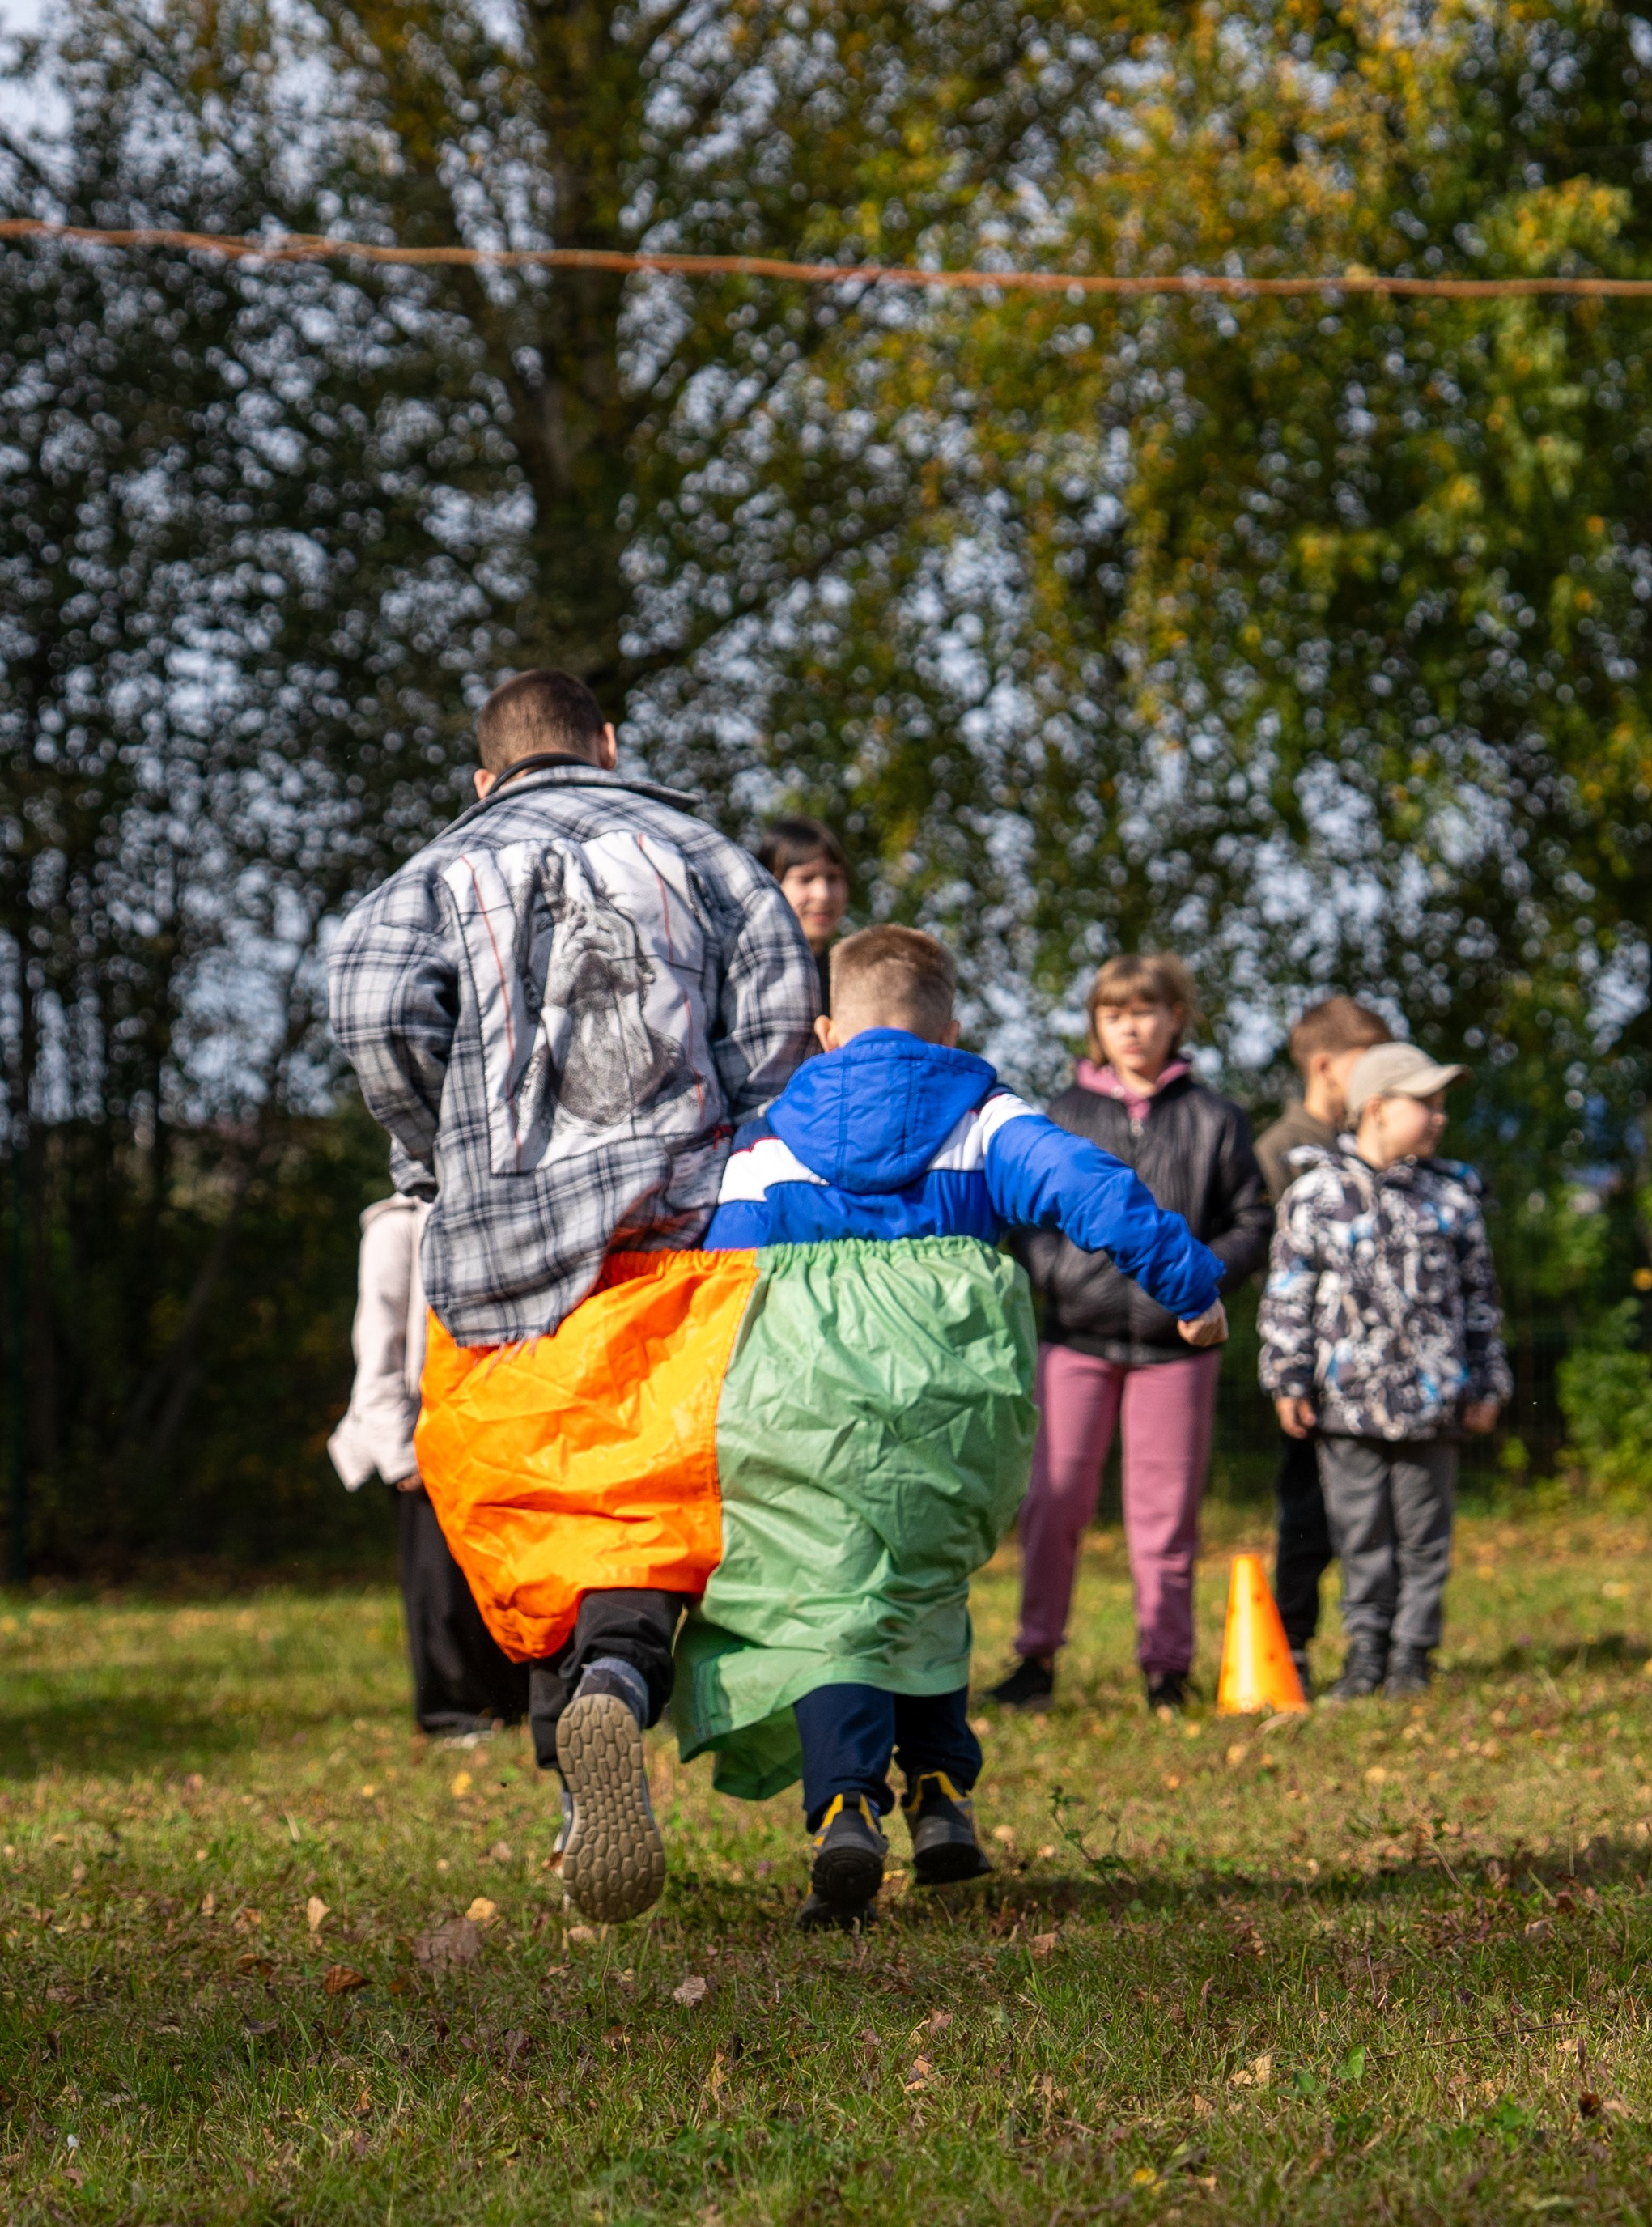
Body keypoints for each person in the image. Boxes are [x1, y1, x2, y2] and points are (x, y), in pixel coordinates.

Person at [329, 667, 818, 1923]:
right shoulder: (705, 855)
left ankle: (569, 1769)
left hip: (495, 1243)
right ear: (609, 745)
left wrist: (436, 1148)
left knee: (534, 1497)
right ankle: (617, 1673)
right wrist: (735, 1140)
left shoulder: (433, 871)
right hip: (677, 1232)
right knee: (640, 1490)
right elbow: (772, 1024)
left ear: (481, 775)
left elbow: (373, 1002)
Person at [675, 924, 1226, 1927]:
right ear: (952, 1026)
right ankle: (937, 1795)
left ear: (826, 1031)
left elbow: (716, 1274)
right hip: (953, 1394)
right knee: (921, 1580)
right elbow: (1086, 1187)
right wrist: (1187, 1284)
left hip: (804, 1404)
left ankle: (845, 1803)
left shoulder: (769, 1140)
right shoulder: (982, 1115)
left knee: (827, 1598)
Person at [992, 954, 1272, 1713]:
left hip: (1172, 1349)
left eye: (1145, 1010)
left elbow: (1253, 1220)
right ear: (1095, 1024)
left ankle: (1166, 1669)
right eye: (1114, 1013)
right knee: (1051, 1504)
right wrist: (1060, 1274)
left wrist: (1199, 1274)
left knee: (1165, 1511)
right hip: (1073, 1341)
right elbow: (1019, 1214)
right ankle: (1035, 1659)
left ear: (1175, 1017)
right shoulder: (1057, 1113)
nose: (1130, 1026)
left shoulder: (1216, 1117)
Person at [1258, 1040, 1513, 1700]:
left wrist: (1485, 1382)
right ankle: (1366, 1653)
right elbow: (1288, 1295)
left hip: (1433, 1405)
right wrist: (1287, 1377)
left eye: (1441, 1104)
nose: (1438, 1117)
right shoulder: (1314, 1195)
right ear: (1374, 1108)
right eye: (1423, 1102)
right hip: (1346, 1406)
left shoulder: (1451, 1200)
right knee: (1360, 1534)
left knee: (1425, 1537)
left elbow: (1480, 1300)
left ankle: (1412, 1657)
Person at [328, 1194, 529, 1736]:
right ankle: (453, 1713)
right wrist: (398, 1452)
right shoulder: (397, 1227)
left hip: (499, 1428)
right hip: (422, 1435)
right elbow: (379, 1343)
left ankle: (512, 1703)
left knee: (503, 1579)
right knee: (439, 1589)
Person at [1253, 997, 1392, 1694]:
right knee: (1305, 1512)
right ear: (1327, 1065)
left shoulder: (1375, 1143)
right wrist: (1292, 1369)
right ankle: (1294, 1644)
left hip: (1375, 1379)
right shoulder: (1279, 1150)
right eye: (1373, 1062)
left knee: (1374, 1517)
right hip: (1314, 1375)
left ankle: (1382, 1646)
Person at [758, 816, 849, 1008]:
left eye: (833, 878)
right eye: (805, 879)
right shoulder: (750, 973)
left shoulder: (849, 979)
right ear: (770, 884)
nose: (823, 895)